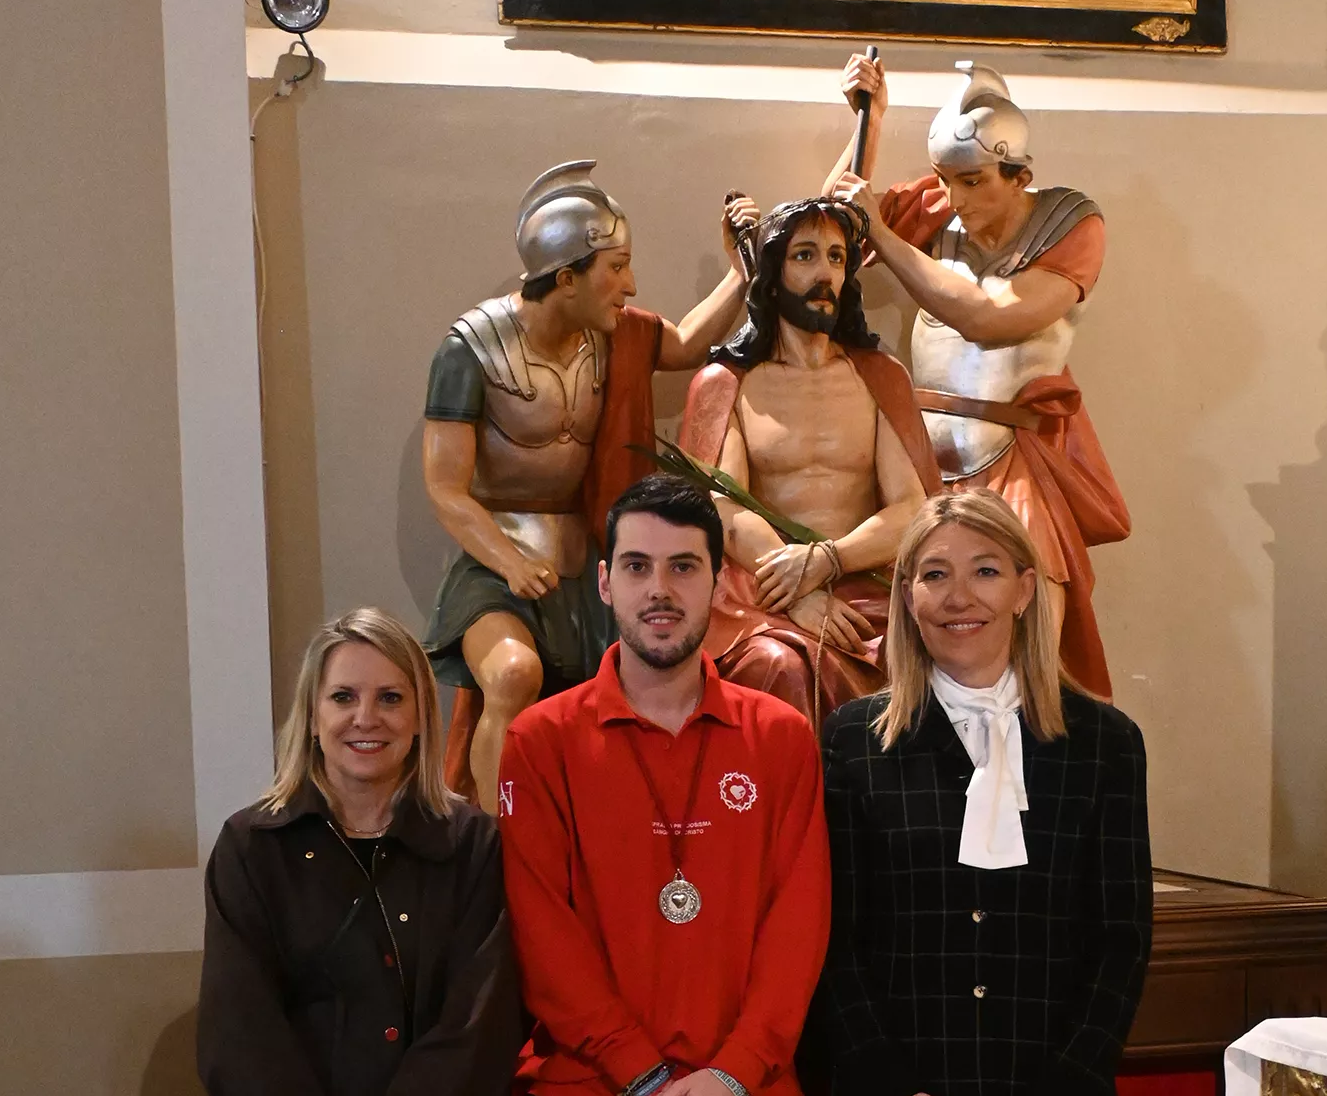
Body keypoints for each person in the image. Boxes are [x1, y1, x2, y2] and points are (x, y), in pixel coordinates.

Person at [498, 473, 832, 1096]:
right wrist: (645, 1076)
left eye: (684, 566)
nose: (660, 589)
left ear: (719, 582)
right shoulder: (541, 739)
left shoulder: (780, 735)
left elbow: (798, 924)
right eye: (637, 566)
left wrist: (733, 1075)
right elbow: (544, 937)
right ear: (604, 582)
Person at [813, 491, 1151, 1096]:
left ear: (1025, 589)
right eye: (934, 574)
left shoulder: (1105, 744)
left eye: (985, 571)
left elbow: (1121, 944)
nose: (958, 596)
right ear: (908, 596)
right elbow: (830, 941)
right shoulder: (852, 740)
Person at [423, 159, 761, 812]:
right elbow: (445, 487)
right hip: (498, 565)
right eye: (618, 266)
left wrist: (740, 275)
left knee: (625, 696)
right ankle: (496, 844)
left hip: (590, 566)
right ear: (568, 275)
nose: (630, 285)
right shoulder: (471, 348)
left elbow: (688, 343)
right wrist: (508, 561)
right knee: (515, 675)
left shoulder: (612, 336)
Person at [825, 54, 1131, 699]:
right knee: (910, 628)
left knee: (1036, 610)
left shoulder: (1070, 222)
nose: (956, 197)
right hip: (919, 456)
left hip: (1014, 454)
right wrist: (868, 124)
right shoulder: (936, 211)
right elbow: (828, 228)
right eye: (946, 180)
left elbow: (992, 319)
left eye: (972, 181)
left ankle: (1041, 766)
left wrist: (881, 228)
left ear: (1019, 173)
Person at [198, 608, 521, 1096]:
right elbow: (238, 1024)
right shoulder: (251, 847)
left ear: (421, 715)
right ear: (313, 715)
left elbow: (482, 1015)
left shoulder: (474, 843)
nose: (366, 718)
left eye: (391, 698)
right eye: (343, 697)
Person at [677, 196, 937, 724]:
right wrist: (796, 593)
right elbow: (722, 512)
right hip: (760, 592)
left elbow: (912, 507)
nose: (825, 274)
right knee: (781, 665)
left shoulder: (879, 378)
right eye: (805, 256)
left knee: (917, 652)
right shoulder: (728, 384)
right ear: (771, 274)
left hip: (866, 582)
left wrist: (828, 560)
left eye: (838, 258)